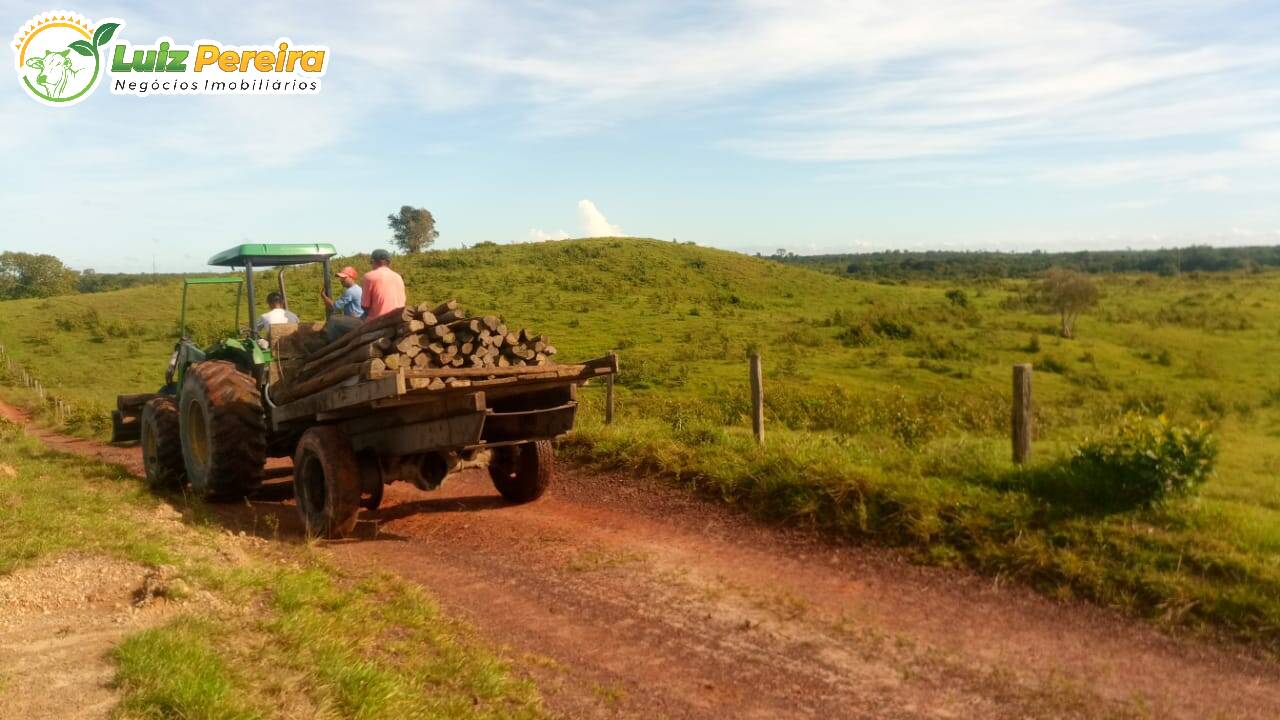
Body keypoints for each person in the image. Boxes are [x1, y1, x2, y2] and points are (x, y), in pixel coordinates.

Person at [360, 248, 406, 320]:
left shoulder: (369, 277)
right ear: (389, 263)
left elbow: (365, 306)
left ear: (373, 261)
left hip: (379, 321)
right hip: (399, 318)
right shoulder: (398, 277)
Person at [322, 265, 365, 341]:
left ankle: (333, 345)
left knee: (333, 320)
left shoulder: (351, 291)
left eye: (344, 278)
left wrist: (324, 296)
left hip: (356, 321)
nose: (341, 280)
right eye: (341, 278)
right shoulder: (358, 288)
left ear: (351, 278)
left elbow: (333, 307)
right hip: (359, 319)